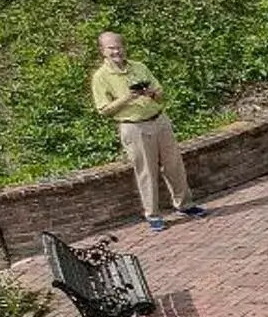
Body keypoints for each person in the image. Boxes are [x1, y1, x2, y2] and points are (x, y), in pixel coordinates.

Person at [89, 32, 207, 230]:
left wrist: (151, 93)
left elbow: (160, 92)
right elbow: (103, 109)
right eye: (111, 48)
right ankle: (153, 215)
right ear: (102, 51)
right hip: (134, 127)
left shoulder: (139, 66)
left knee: (174, 165)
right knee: (146, 171)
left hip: (159, 120)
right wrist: (127, 97)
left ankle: (185, 204)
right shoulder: (100, 77)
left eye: (119, 46)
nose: (116, 51)